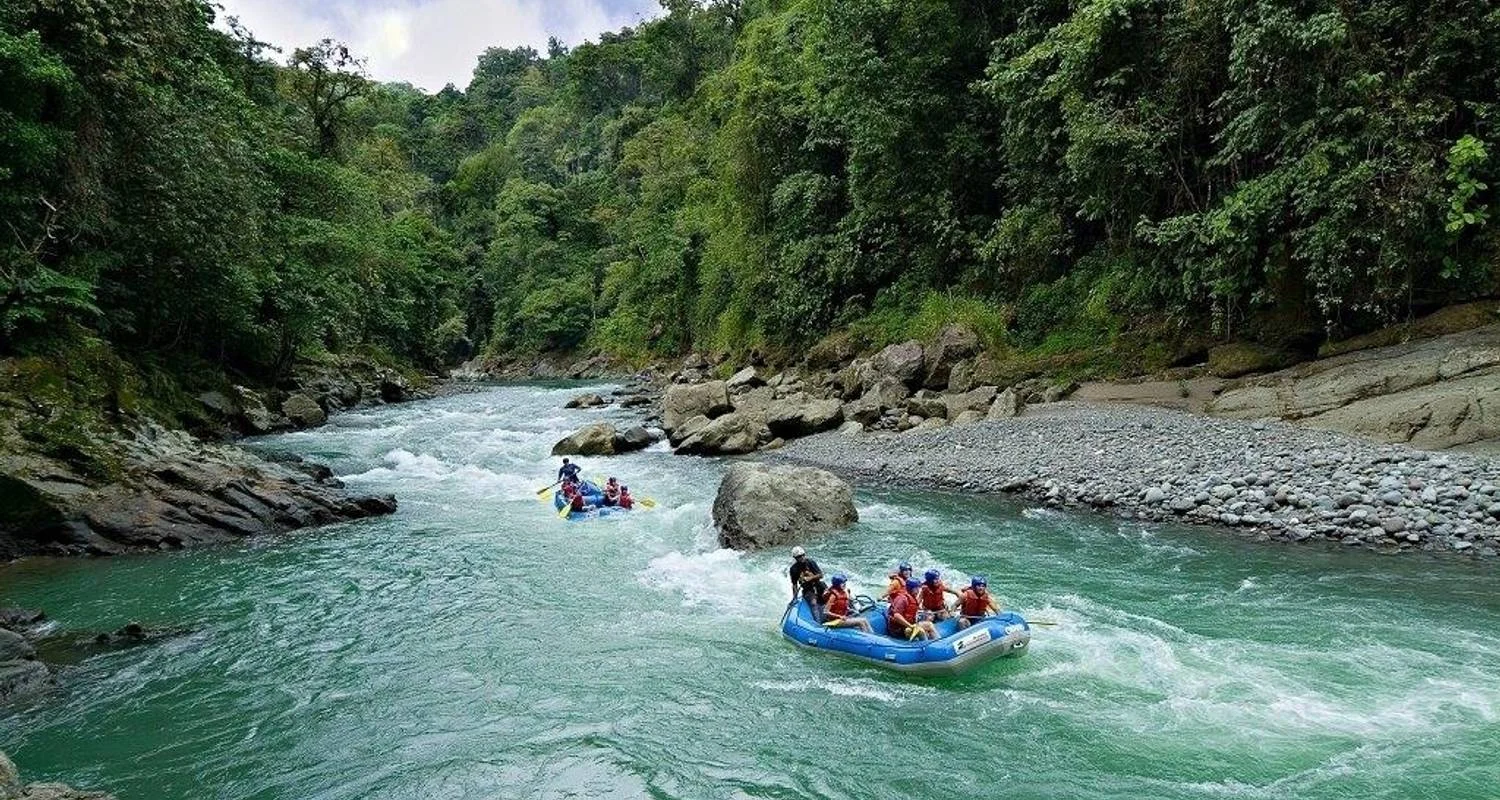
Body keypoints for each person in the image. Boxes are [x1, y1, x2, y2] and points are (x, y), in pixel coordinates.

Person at [788, 546, 827, 620]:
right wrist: (795, 598)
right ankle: (818, 622)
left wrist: (810, 578)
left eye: (803, 555)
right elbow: (794, 584)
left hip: (819, 585)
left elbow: (821, 575)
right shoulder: (793, 569)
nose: (802, 557)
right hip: (807, 589)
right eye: (799, 556)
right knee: (813, 603)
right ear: (795, 558)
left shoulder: (811, 562)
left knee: (831, 596)